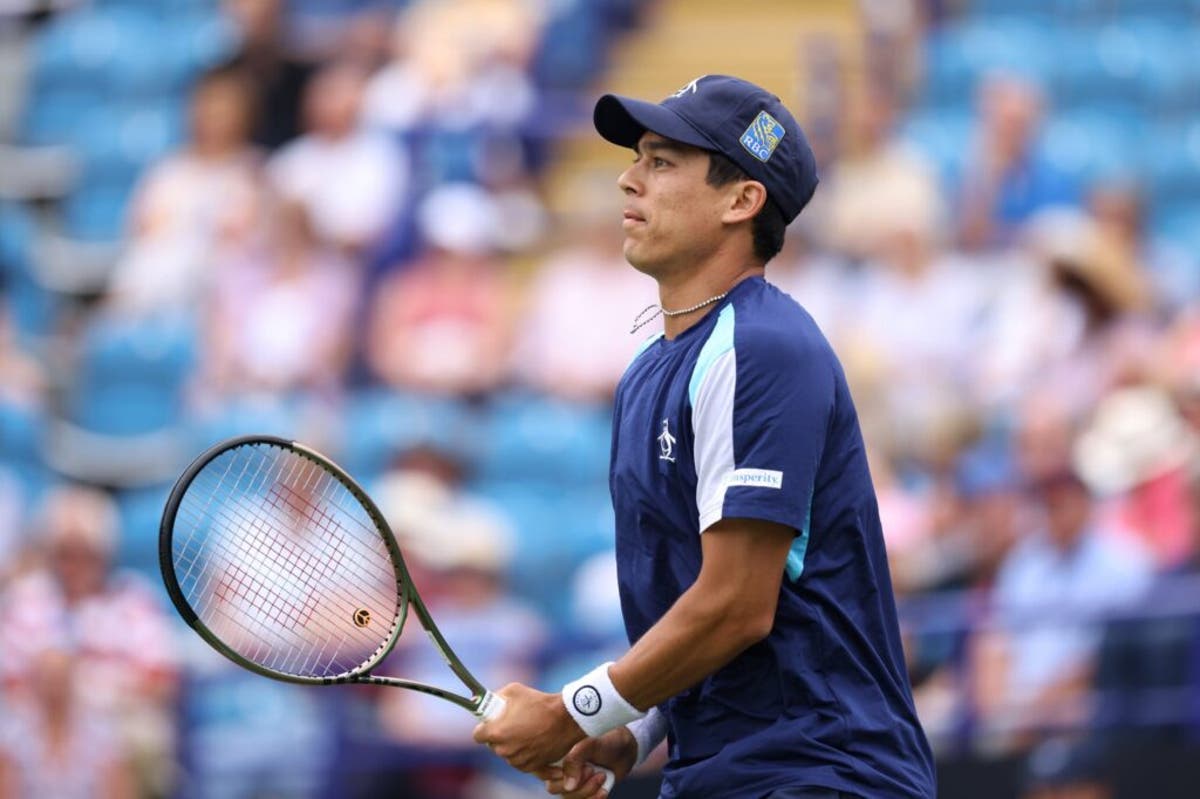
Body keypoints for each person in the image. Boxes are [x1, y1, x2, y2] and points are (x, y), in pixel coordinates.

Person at [473, 75, 935, 798]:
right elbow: (705, 609)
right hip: (724, 772)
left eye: (660, 161)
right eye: (638, 159)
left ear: (741, 199)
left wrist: (573, 710)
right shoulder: (647, 375)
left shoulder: (764, 346)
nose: (628, 179)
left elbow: (736, 604)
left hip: (821, 773)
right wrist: (634, 732)